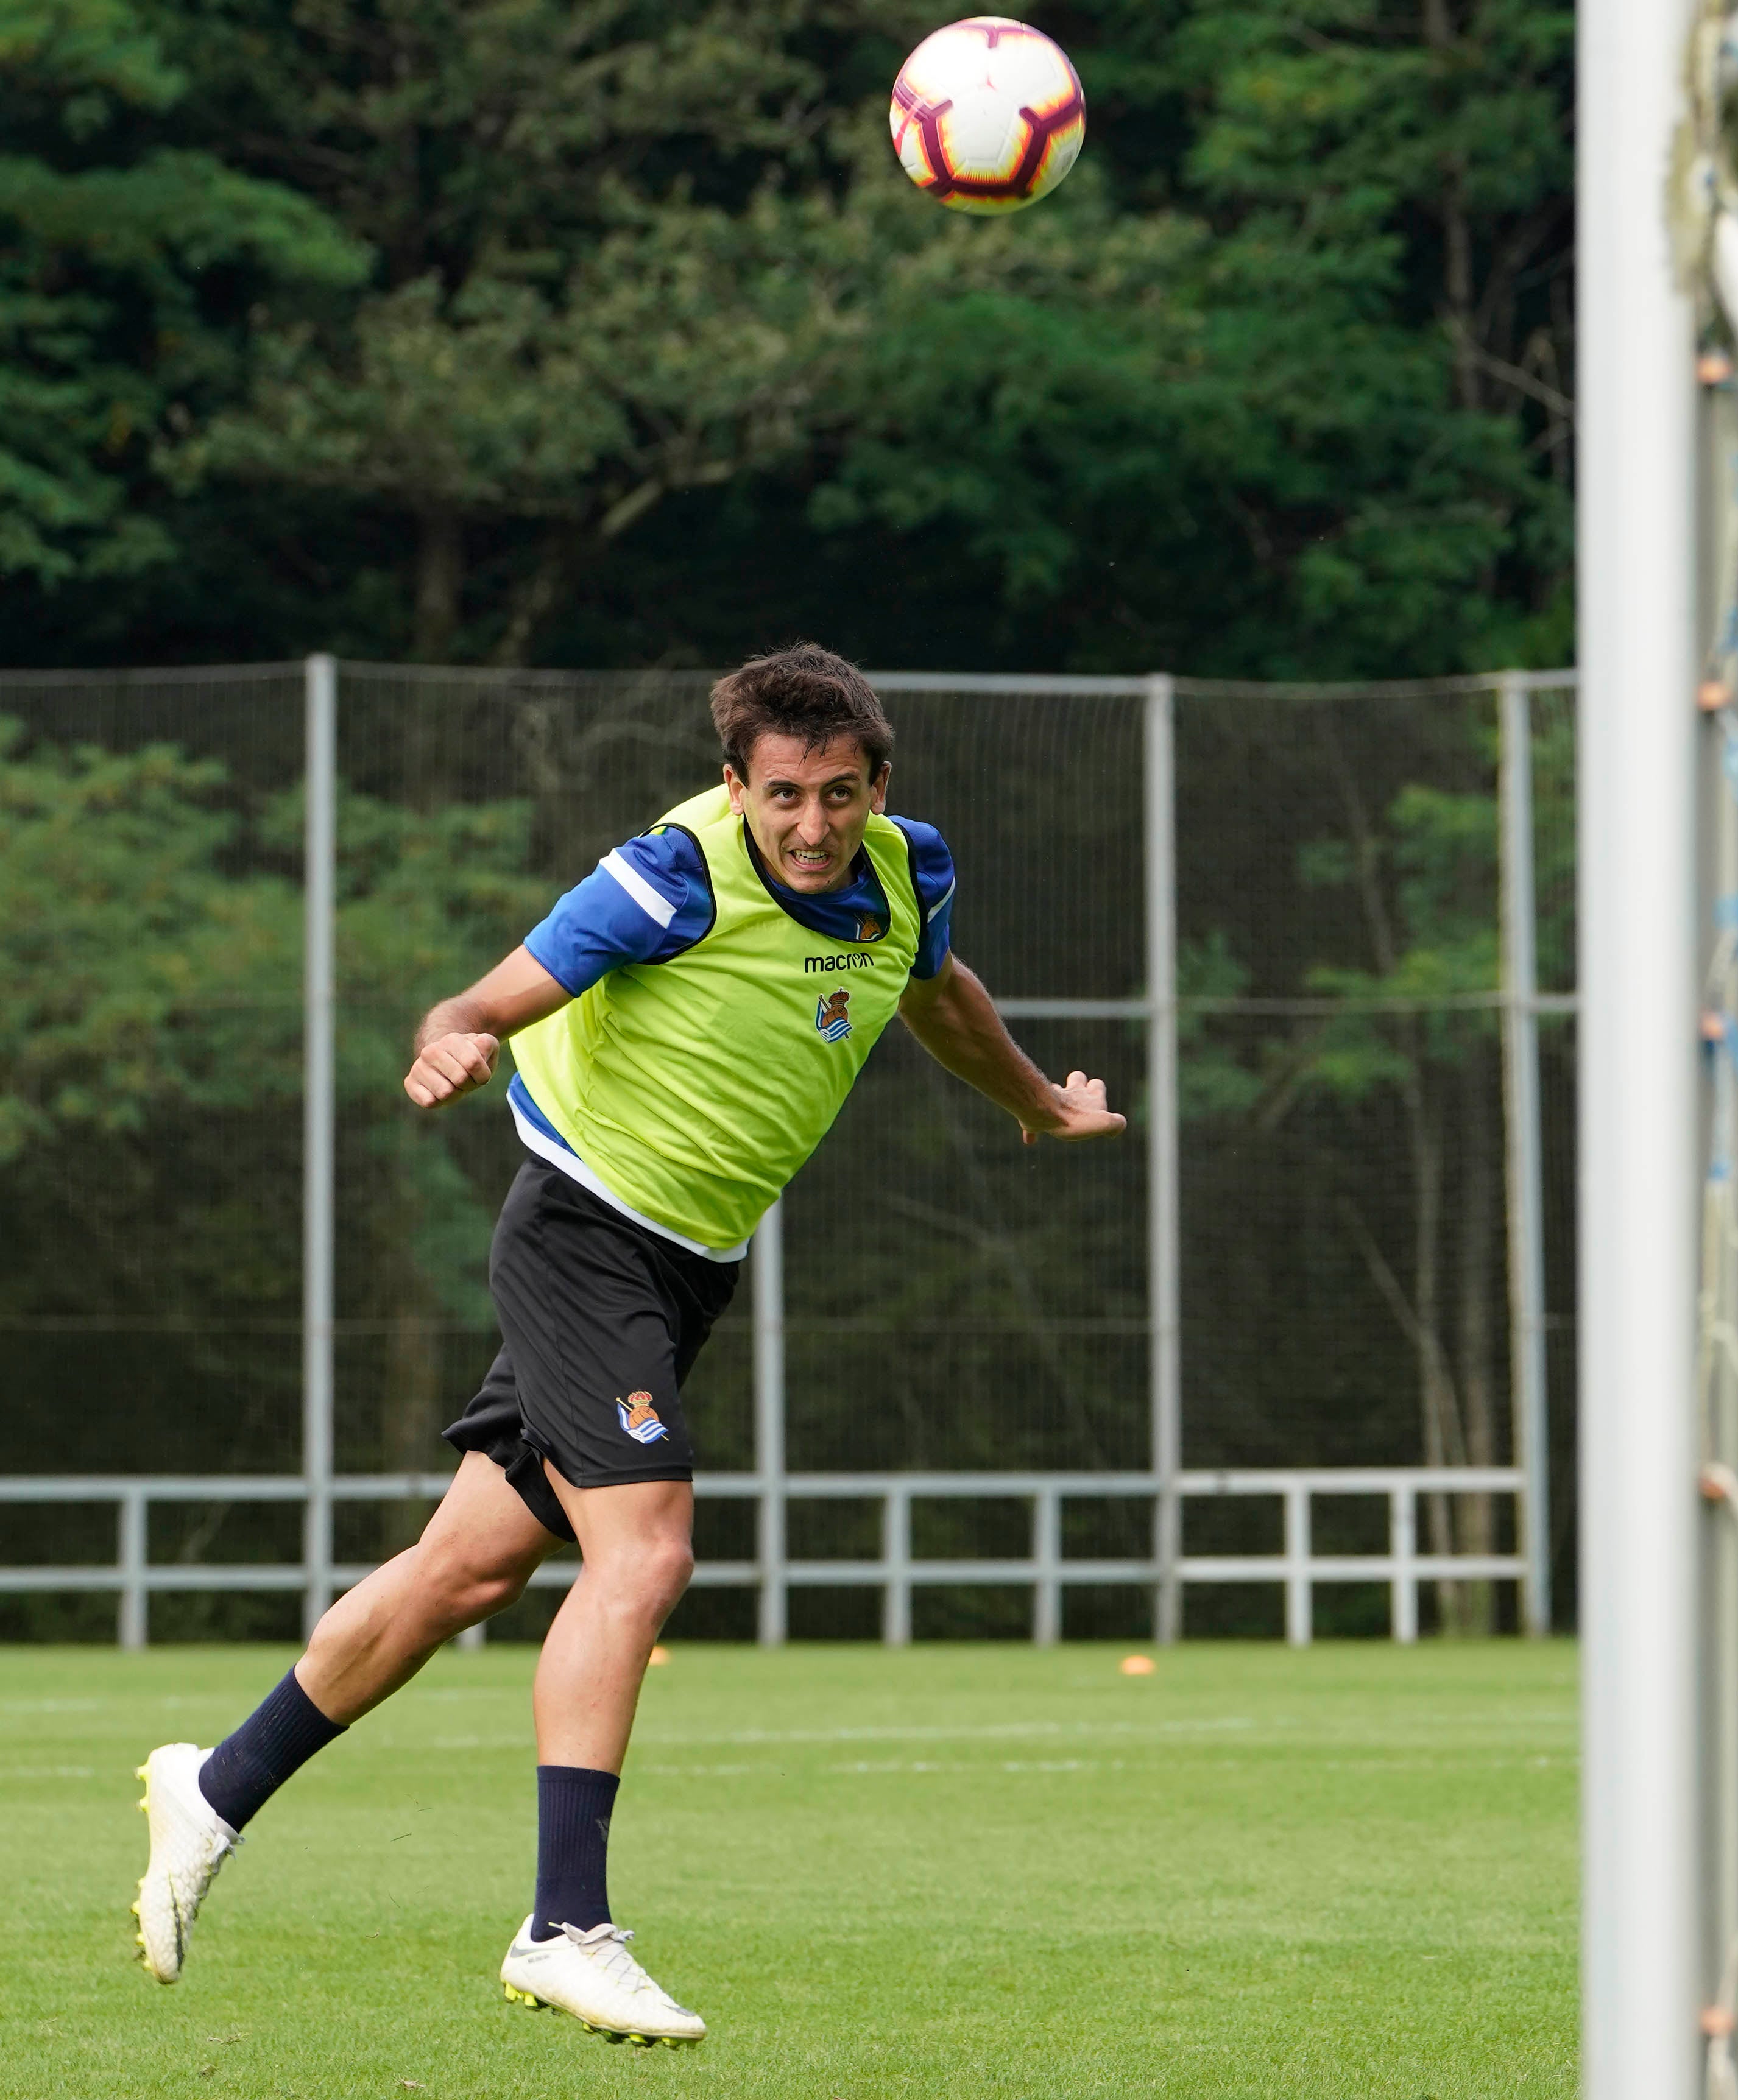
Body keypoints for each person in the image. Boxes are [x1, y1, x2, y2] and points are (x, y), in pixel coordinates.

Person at [132, 644, 1125, 2045]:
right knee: (645, 1553)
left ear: (879, 783)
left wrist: (1038, 1102)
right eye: (783, 794)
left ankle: (215, 1787)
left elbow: (934, 991)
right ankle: (566, 1923)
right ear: (737, 783)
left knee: (465, 1567)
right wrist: (454, 1038)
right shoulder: (668, 876)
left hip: (683, 1275)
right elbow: (484, 999)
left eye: (841, 793)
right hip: (582, 1232)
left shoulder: (910, 871)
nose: (813, 824)